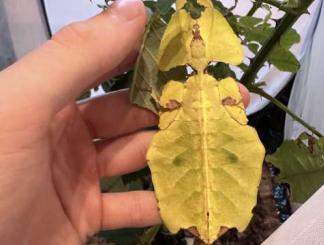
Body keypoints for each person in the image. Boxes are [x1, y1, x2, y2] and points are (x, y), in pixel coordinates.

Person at [0, 0, 250, 244]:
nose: (197, 39)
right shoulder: (218, 91)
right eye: (194, 35)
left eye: (199, 36)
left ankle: (215, 217)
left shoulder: (175, 91)